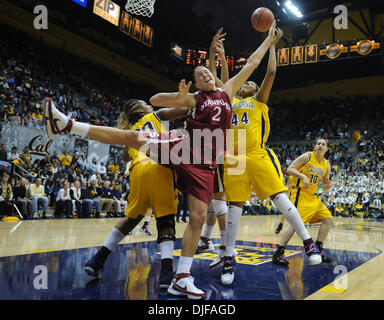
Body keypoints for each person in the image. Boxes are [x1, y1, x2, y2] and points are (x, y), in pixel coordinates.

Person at [44, 21, 280, 299]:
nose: (204, 73)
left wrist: (269, 41)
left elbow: (253, 62)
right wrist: (179, 98)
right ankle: (68, 125)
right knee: (133, 138)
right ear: (197, 82)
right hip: (184, 147)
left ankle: (182, 277)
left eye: (207, 70)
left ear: (214, 77)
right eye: (199, 73)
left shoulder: (227, 91)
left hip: (206, 163)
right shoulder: (195, 99)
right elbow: (154, 99)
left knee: (199, 217)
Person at [220, 27, 322, 286]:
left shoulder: (259, 101)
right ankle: (228, 257)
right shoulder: (228, 100)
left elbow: (272, 72)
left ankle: (308, 242)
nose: (251, 84)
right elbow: (223, 82)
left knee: (280, 197)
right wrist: (220, 58)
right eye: (247, 82)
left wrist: (274, 45)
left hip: (256, 153)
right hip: (233, 158)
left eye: (253, 83)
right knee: (235, 207)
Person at [82, 99, 187, 289]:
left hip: (138, 172)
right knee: (166, 221)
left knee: (131, 218)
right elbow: (182, 111)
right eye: (145, 104)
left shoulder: (129, 132)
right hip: (159, 166)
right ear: (140, 110)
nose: (149, 105)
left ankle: (96, 261)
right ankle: (165, 274)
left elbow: (125, 156)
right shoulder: (154, 116)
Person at [272, 138, 333, 265]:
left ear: (326, 149)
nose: (320, 146)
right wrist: (303, 176)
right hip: (299, 194)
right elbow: (289, 169)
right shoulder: (307, 156)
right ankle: (278, 253)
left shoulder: (327, 164)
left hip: (313, 197)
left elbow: (325, 183)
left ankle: (319, 248)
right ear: (315, 146)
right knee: (294, 226)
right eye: (318, 144)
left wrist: (328, 185)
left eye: (323, 144)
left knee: (328, 219)